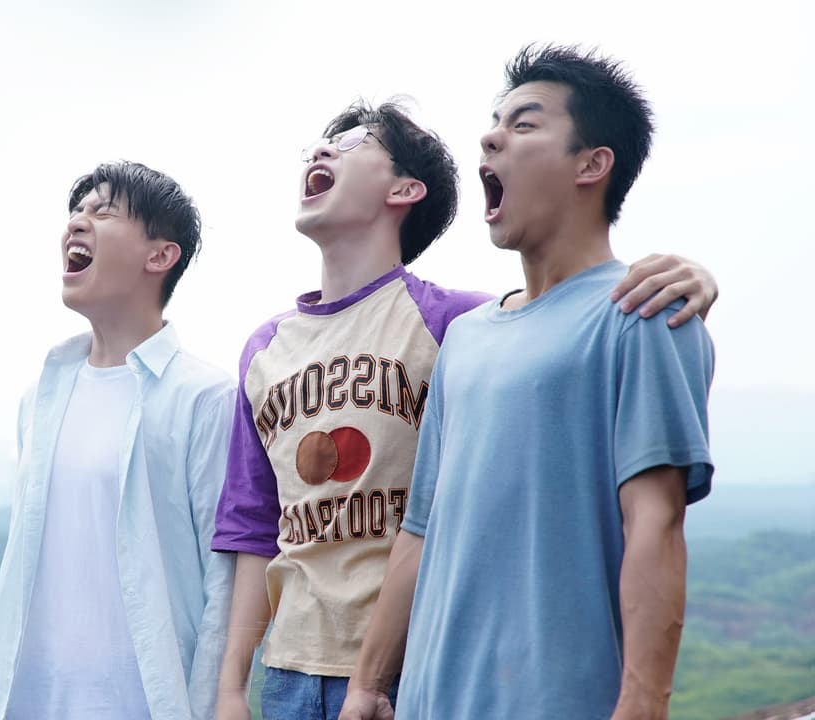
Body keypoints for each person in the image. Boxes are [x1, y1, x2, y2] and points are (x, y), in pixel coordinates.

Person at [213, 96, 718, 720]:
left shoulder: (456, 323)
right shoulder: (265, 349)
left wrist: (692, 276)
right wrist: (232, 687)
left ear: (405, 189)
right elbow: (254, 524)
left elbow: (552, 317)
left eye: (351, 144)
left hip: (415, 665)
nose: (320, 151)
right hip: (290, 670)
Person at [339, 45, 714, 720]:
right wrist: (368, 684)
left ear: (591, 164)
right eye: (494, 122)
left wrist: (643, 703)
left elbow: (656, 524)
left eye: (525, 123)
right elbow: (420, 530)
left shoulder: (645, 312)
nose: (490, 138)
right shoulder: (466, 338)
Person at [0, 161, 234, 720]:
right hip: (32, 699)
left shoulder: (206, 397)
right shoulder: (40, 397)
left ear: (160, 256)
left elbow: (225, 580)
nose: (77, 222)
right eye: (76, 210)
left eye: (104, 211)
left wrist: (211, 704)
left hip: (144, 703)